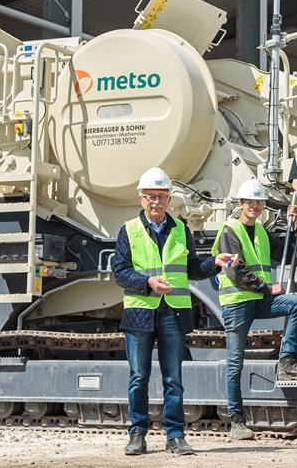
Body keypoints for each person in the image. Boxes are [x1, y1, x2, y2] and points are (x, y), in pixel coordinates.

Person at [113, 167, 237, 456]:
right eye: (150, 196)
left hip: (173, 312)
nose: (156, 201)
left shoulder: (181, 229)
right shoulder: (128, 230)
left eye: (162, 196)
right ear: (141, 199)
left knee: (173, 379)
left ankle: (175, 436)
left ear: (169, 199)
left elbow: (192, 268)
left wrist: (215, 262)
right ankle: (137, 434)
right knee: (138, 377)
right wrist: (147, 282)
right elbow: (119, 273)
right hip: (140, 311)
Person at [211, 178, 297, 441]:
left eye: (259, 202)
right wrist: (266, 288)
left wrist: (292, 223)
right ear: (240, 204)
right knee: (235, 363)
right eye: (250, 202)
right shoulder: (230, 230)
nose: (255, 206)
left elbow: (285, 247)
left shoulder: (260, 231)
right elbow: (236, 271)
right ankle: (237, 421)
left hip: (257, 300)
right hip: (238, 302)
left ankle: (286, 362)